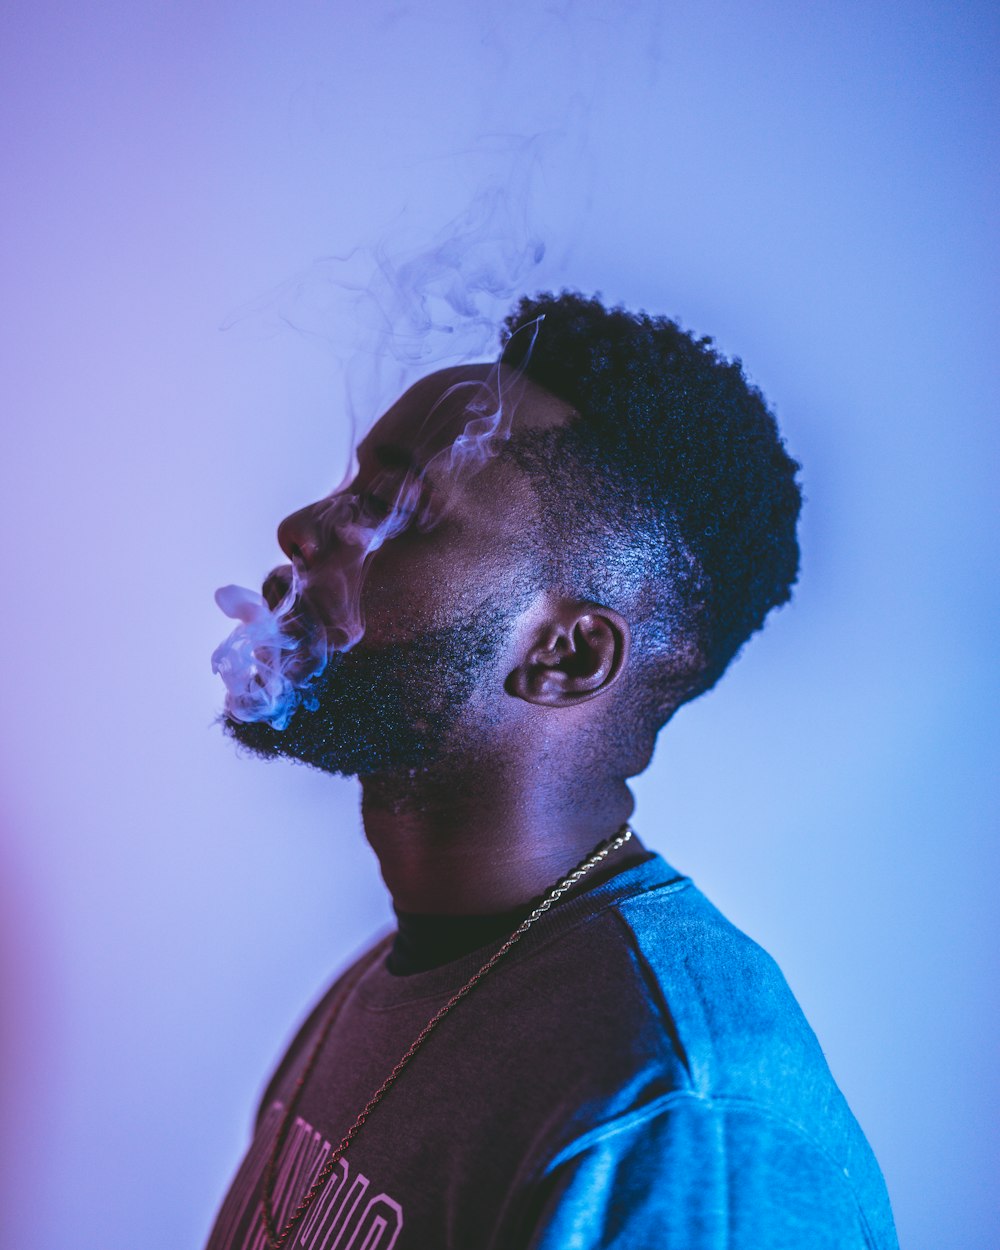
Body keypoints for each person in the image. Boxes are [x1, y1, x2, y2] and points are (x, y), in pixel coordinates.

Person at [205, 292, 898, 1249]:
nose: (301, 528)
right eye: (349, 487)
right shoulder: (396, 977)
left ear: (566, 657)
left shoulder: (683, 1119)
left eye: (396, 512)